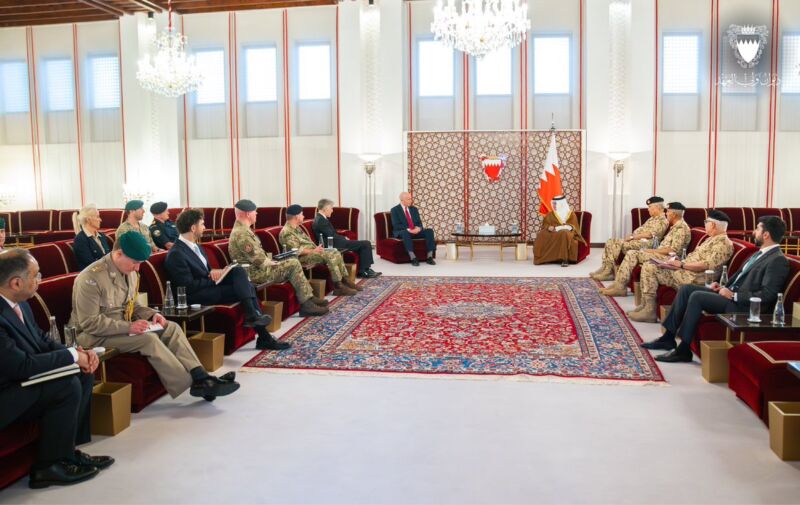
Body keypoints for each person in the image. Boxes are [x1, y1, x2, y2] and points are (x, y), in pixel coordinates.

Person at [71, 232, 241, 399]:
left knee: (171, 327)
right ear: (119, 254)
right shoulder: (91, 278)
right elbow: (89, 323)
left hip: (121, 328)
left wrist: (153, 314)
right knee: (148, 339)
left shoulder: (129, 272)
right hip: (93, 336)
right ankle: (194, 384)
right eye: (135, 262)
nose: (137, 268)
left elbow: (133, 305)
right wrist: (129, 327)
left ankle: (201, 376)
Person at [0, 249, 114, 489]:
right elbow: (21, 366)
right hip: (7, 392)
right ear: (16, 283)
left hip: (20, 382)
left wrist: (77, 354)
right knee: (65, 385)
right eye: (36, 275)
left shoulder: (19, 303)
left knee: (81, 374)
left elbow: (41, 340)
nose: (39, 280)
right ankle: (48, 467)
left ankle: (68, 452)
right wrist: (71, 356)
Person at [646, 216, 791, 363]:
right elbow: (740, 278)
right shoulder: (759, 253)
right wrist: (723, 287)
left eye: (757, 229)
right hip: (731, 296)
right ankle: (668, 338)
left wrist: (733, 295)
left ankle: (683, 349)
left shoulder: (777, 260)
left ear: (766, 235)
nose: (754, 232)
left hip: (744, 307)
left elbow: (768, 294)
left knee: (697, 296)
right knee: (686, 289)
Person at [164, 209, 289, 350]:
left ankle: (255, 320)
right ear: (193, 228)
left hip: (207, 287)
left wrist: (218, 272)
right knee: (247, 288)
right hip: (194, 295)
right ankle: (261, 331)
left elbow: (206, 272)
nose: (205, 227)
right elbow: (187, 286)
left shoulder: (196, 247)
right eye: (202, 224)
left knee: (238, 271)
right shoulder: (176, 253)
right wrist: (213, 279)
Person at [227, 199, 328, 320]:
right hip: (253, 274)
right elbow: (259, 260)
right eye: (255, 211)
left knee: (292, 262)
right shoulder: (242, 233)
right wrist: (273, 262)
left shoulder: (243, 230)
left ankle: (308, 299)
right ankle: (307, 304)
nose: (256, 213)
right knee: (293, 263)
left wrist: (274, 262)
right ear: (248, 214)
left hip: (257, 269)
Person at [628, 209, 735, 323]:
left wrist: (682, 265)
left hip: (693, 279)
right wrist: (678, 262)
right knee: (650, 264)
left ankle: (649, 311)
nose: (705, 224)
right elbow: (696, 259)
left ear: (712, 224)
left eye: (706, 222)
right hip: (685, 272)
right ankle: (645, 304)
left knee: (650, 268)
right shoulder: (711, 239)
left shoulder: (723, 244)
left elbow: (705, 265)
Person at [599, 202, 691, 298]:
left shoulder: (681, 229)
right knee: (631, 253)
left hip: (669, 259)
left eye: (668, 211)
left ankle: (620, 287)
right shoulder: (675, 226)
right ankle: (618, 284)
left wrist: (652, 251)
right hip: (662, 254)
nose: (666, 213)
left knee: (632, 253)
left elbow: (672, 250)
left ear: (674, 214)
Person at [279, 204, 361, 296]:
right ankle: (338, 286)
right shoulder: (286, 232)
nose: (303, 216)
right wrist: (313, 251)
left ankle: (345, 280)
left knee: (334, 251)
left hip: (311, 253)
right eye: (302, 214)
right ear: (296, 216)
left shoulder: (296, 227)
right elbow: (296, 251)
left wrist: (315, 250)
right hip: (300, 258)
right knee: (330, 255)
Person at [590, 196, 669, 280]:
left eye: (650, 207)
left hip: (646, 244)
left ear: (657, 207)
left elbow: (649, 235)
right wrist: (632, 236)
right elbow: (641, 230)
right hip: (638, 241)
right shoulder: (652, 219)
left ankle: (609, 272)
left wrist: (632, 237)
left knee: (616, 243)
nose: (648, 209)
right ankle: (605, 267)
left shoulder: (662, 220)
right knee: (610, 241)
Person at [312, 198, 381, 279]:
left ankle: (364, 270)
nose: (332, 210)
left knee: (362, 244)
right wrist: (344, 238)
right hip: (332, 244)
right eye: (331, 208)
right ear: (325, 208)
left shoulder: (321, 218)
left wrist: (343, 237)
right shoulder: (320, 220)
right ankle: (364, 271)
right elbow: (331, 235)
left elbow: (332, 234)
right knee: (366, 243)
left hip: (335, 242)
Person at [533, 195, 586, 267]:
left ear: (561, 204)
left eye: (556, 204)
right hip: (554, 232)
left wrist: (564, 227)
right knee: (541, 234)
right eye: (553, 203)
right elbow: (545, 225)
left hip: (568, 233)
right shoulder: (550, 214)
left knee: (564, 233)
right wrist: (548, 227)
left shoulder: (571, 214)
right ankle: (540, 258)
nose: (554, 205)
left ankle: (564, 259)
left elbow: (574, 227)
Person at [389, 192, 436, 266]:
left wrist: (418, 228)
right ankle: (413, 258)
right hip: (403, 232)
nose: (411, 200)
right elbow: (396, 225)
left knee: (429, 231)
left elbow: (419, 223)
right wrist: (409, 230)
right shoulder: (394, 210)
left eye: (411, 199)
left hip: (415, 231)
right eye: (409, 199)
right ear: (402, 200)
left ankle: (429, 257)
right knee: (405, 232)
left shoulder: (414, 209)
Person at [72, 204, 111, 270]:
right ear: (88, 220)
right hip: (92, 274)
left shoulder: (102, 236)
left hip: (106, 271)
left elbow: (109, 257)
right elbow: (91, 265)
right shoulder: (80, 240)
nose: (100, 220)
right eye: (97, 217)